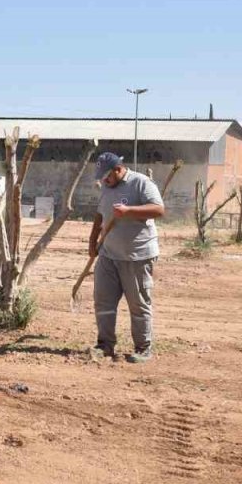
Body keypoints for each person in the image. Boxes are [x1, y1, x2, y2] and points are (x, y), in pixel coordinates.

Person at [89, 152, 165, 363]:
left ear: (118, 169)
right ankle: (105, 345)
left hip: (137, 256)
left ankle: (143, 348)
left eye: (106, 176)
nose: (104, 181)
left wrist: (129, 210)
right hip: (108, 254)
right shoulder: (106, 187)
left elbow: (159, 210)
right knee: (103, 301)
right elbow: (100, 214)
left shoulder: (141, 183)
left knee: (138, 304)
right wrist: (92, 240)